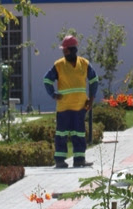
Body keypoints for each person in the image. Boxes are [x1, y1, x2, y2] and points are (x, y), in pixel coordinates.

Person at [43, 35, 98, 169]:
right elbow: (47, 80)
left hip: (80, 106)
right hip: (64, 107)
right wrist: (53, 94)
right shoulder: (59, 65)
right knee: (61, 133)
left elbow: (94, 80)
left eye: (66, 50)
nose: (64, 53)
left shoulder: (84, 64)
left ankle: (79, 159)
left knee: (79, 133)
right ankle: (60, 160)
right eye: (64, 51)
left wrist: (91, 99)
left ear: (73, 50)